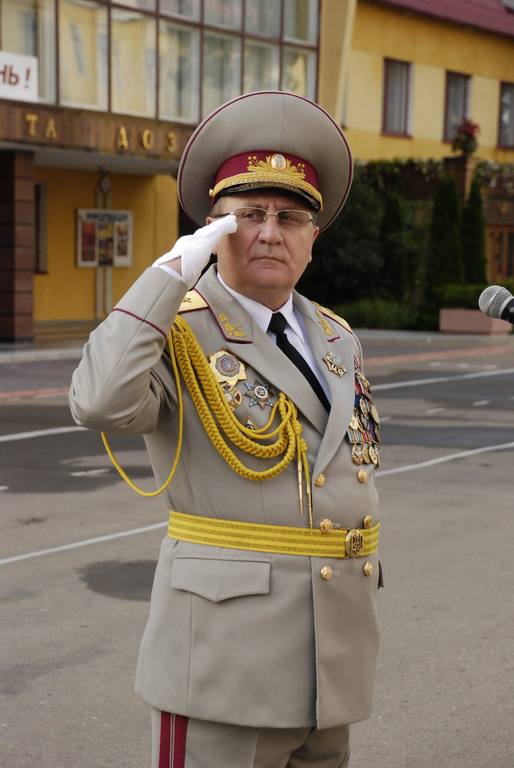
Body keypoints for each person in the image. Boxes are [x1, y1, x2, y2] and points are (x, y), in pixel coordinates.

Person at [69, 91, 383, 768]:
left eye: (290, 217)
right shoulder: (176, 330)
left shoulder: (337, 337)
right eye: (248, 216)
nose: (270, 232)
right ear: (212, 230)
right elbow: (97, 402)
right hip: (222, 660)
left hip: (331, 659)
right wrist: (169, 275)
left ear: (313, 237)